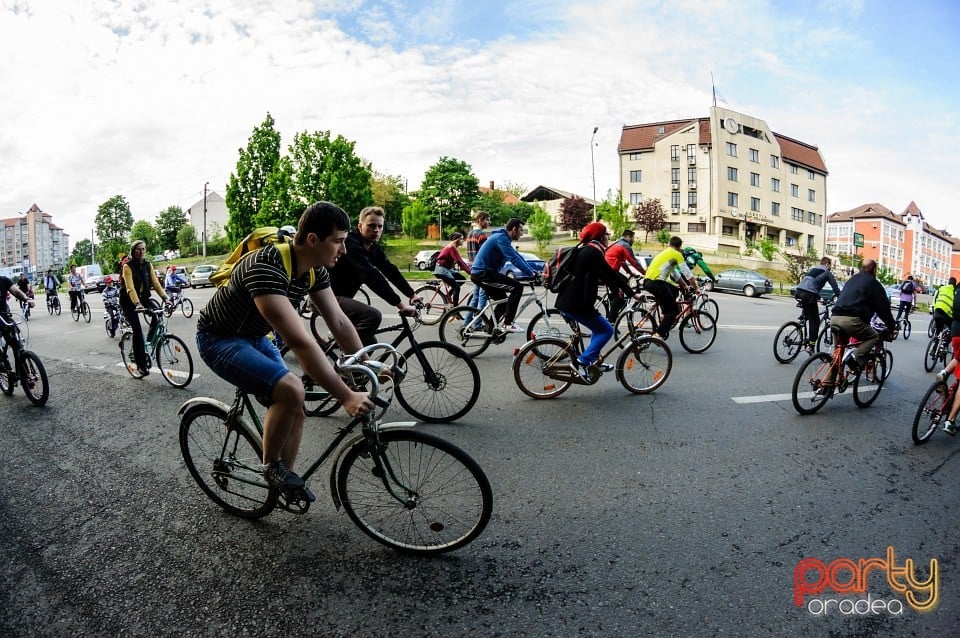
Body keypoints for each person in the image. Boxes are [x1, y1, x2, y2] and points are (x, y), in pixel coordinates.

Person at [196, 201, 373, 502]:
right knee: (290, 389)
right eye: (339, 242)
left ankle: (284, 483)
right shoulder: (267, 266)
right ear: (313, 240)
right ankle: (272, 467)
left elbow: (340, 322)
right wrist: (346, 396)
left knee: (296, 407)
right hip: (219, 338)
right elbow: (301, 342)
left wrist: (370, 363)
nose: (343, 250)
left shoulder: (314, 270)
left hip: (253, 335)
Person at [556, 222, 644, 378]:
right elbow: (611, 274)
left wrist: (617, 290)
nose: (608, 238)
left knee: (598, 329)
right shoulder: (593, 252)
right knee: (606, 330)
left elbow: (605, 276)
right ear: (601, 236)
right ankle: (583, 362)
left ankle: (593, 360)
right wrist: (633, 294)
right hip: (577, 304)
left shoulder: (586, 250)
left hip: (571, 301)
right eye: (607, 235)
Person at [329, 206, 420, 345]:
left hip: (343, 298)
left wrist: (411, 294)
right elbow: (371, 276)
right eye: (371, 225)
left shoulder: (373, 247)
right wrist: (400, 305)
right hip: (325, 296)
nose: (376, 230)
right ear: (360, 226)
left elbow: (390, 270)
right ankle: (344, 362)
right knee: (372, 316)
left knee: (370, 343)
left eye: (380, 226)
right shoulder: (350, 244)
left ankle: (349, 357)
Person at [829, 259, 897, 374]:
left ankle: (827, 385)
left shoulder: (852, 280)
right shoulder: (873, 284)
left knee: (838, 354)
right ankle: (854, 358)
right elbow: (883, 309)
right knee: (873, 337)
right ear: (874, 270)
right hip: (852, 320)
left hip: (835, 318)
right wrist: (891, 327)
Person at [470, 218, 535, 332]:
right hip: (483, 273)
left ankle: (489, 329)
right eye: (521, 230)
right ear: (514, 229)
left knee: (503, 301)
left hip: (484, 273)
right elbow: (514, 259)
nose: (522, 233)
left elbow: (517, 256)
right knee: (517, 288)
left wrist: (533, 271)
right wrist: (531, 273)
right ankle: (508, 323)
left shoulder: (504, 239)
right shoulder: (501, 238)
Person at [119, 240, 168, 376]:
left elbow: (155, 283)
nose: (141, 252)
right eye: (138, 249)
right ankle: (140, 365)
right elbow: (130, 288)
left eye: (143, 249)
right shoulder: (127, 267)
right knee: (137, 330)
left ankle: (149, 340)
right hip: (129, 302)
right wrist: (137, 304)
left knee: (157, 314)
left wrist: (165, 298)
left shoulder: (148, 265)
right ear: (133, 251)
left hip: (144, 298)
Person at [642, 236, 698, 339]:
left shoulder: (666, 253)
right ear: (680, 246)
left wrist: (685, 286)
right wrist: (696, 288)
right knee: (673, 312)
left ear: (670, 244)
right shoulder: (677, 254)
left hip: (648, 281)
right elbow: (688, 274)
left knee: (674, 289)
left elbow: (675, 273)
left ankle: (664, 315)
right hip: (657, 283)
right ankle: (658, 335)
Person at [793, 257, 841, 354]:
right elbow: (835, 288)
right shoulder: (827, 272)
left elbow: (810, 284)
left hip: (798, 292)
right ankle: (811, 346)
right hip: (809, 295)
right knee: (815, 320)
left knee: (808, 310)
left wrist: (819, 297)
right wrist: (840, 298)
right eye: (830, 265)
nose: (830, 267)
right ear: (827, 264)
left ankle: (802, 319)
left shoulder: (813, 269)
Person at [934, 280, 960, 435]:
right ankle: (950, 421)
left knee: (958, 356)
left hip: (956, 329)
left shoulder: (957, 288)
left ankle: (944, 372)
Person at [604, 229, 646, 321]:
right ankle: (611, 320)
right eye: (632, 238)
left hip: (609, 270)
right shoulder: (625, 245)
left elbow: (622, 262)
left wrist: (630, 273)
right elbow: (634, 262)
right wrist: (645, 273)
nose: (633, 240)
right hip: (609, 272)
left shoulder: (618, 243)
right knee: (619, 296)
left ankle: (614, 302)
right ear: (628, 237)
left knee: (625, 282)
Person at [462, 210, 491, 329]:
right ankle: (477, 324)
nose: (489, 222)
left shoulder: (470, 234)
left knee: (475, 297)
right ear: (480, 220)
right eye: (487, 219)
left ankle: (466, 324)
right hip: (482, 268)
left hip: (473, 268)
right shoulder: (482, 235)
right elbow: (486, 253)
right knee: (483, 297)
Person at [433, 232, 471, 304]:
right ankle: (455, 311)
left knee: (462, 279)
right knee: (456, 287)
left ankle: (448, 296)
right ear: (457, 240)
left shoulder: (451, 247)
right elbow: (460, 262)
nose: (463, 241)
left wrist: (468, 267)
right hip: (442, 270)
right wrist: (470, 273)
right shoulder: (451, 248)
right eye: (462, 239)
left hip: (445, 269)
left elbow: (460, 261)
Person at [0, 275, 34, 344]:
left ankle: (20, 353)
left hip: (4, 316)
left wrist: (26, 299)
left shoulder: (3, 280)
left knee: (15, 337)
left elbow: (16, 291)